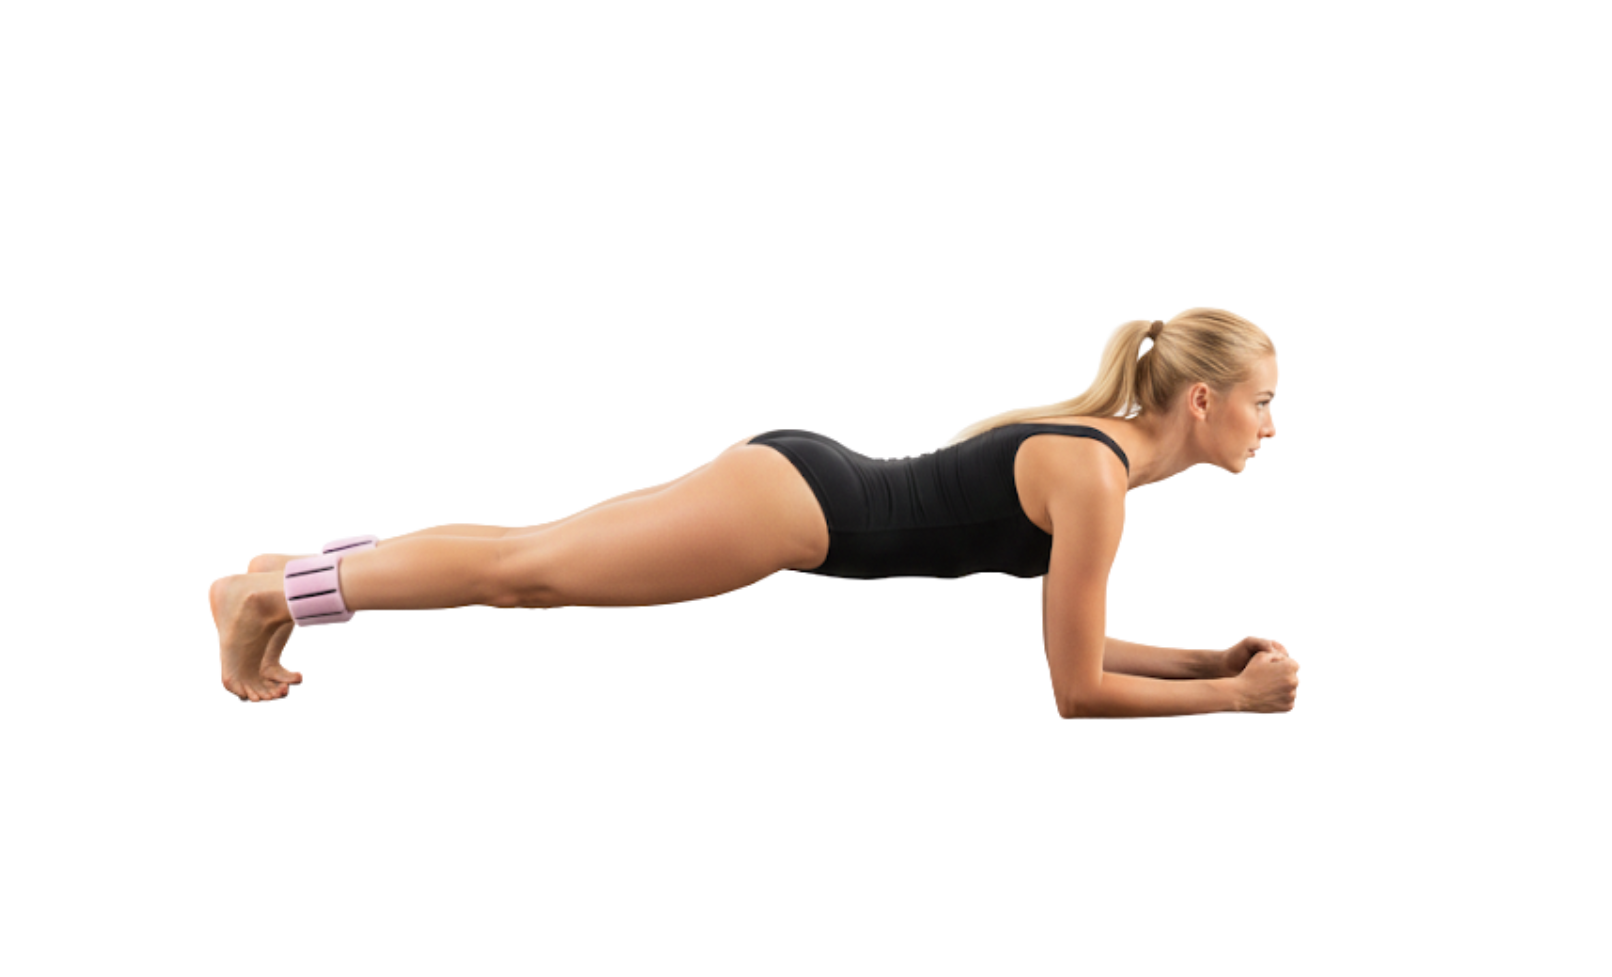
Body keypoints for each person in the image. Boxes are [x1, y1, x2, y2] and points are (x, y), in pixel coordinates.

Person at [208, 308, 1297, 714]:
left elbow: (1087, 649)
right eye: (1261, 403)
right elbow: (1075, 690)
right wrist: (1239, 702)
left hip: (791, 482)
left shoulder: (1089, 457)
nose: (1268, 427)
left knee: (525, 551)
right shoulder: (1096, 482)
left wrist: (1208, 661)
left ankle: (284, 569)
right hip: (791, 513)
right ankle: (278, 594)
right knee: (522, 573)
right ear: (1199, 399)